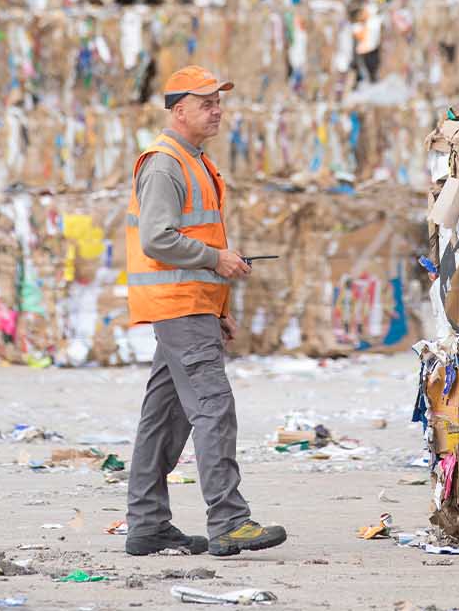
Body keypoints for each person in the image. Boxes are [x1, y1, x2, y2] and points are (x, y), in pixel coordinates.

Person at [123, 66, 289, 557]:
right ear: (179, 111)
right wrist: (217, 260)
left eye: (218, 102)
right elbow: (159, 239)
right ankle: (229, 521)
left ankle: (148, 524)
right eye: (206, 103)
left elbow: (194, 239)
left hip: (191, 307)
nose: (216, 111)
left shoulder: (195, 162)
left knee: (164, 420)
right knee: (214, 409)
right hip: (179, 307)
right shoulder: (164, 163)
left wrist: (219, 307)